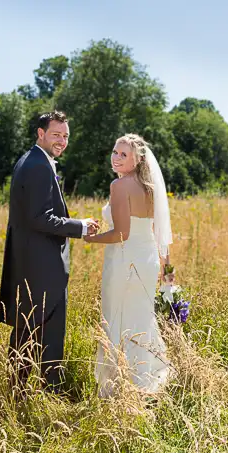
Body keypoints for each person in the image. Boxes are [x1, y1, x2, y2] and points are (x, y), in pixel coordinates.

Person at [0, 111, 99, 397]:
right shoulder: (38, 166)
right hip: (41, 270)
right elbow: (40, 217)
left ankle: (19, 394)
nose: (62, 141)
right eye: (56, 134)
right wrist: (79, 226)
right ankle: (47, 396)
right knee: (44, 337)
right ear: (40, 133)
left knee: (27, 334)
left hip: (33, 266)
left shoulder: (32, 161)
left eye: (66, 136)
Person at [83, 133, 173, 398]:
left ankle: (122, 385)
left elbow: (121, 234)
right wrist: (170, 278)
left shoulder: (119, 187)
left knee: (118, 320)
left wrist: (90, 238)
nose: (116, 157)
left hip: (124, 262)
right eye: (115, 152)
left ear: (138, 158)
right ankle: (148, 376)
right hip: (147, 264)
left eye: (124, 154)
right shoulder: (151, 188)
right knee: (141, 318)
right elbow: (162, 237)